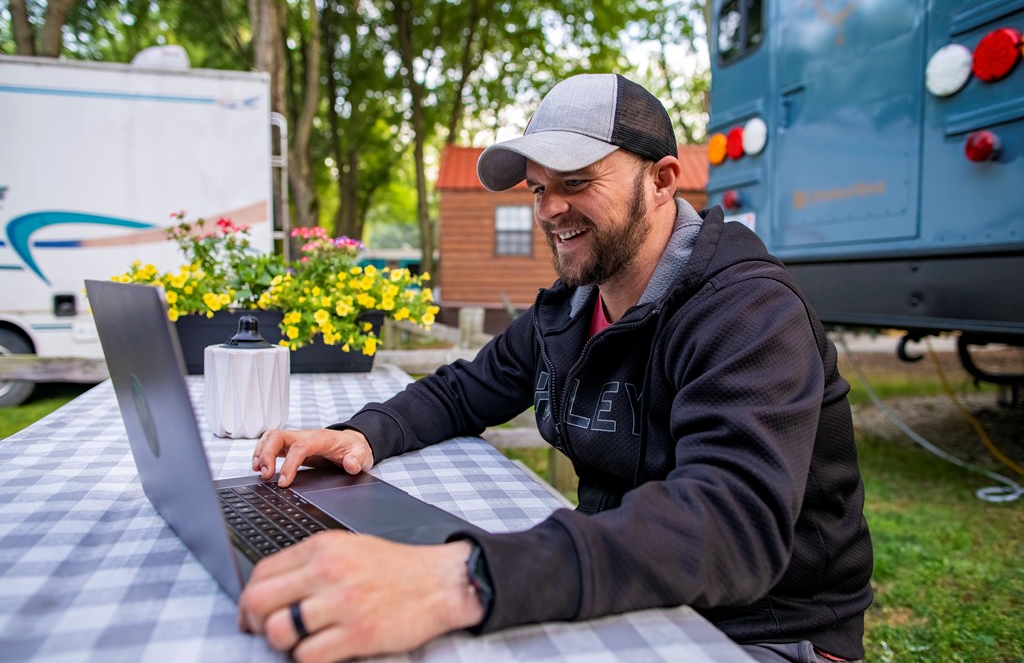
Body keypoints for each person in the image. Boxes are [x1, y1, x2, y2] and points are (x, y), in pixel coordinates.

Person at [238, 73, 873, 663]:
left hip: (762, 631)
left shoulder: (747, 313)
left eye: (576, 181)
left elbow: (731, 528)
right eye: (540, 188)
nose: (547, 210)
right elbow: (467, 391)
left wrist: (460, 578)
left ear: (663, 180)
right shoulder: (571, 308)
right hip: (623, 588)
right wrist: (361, 434)